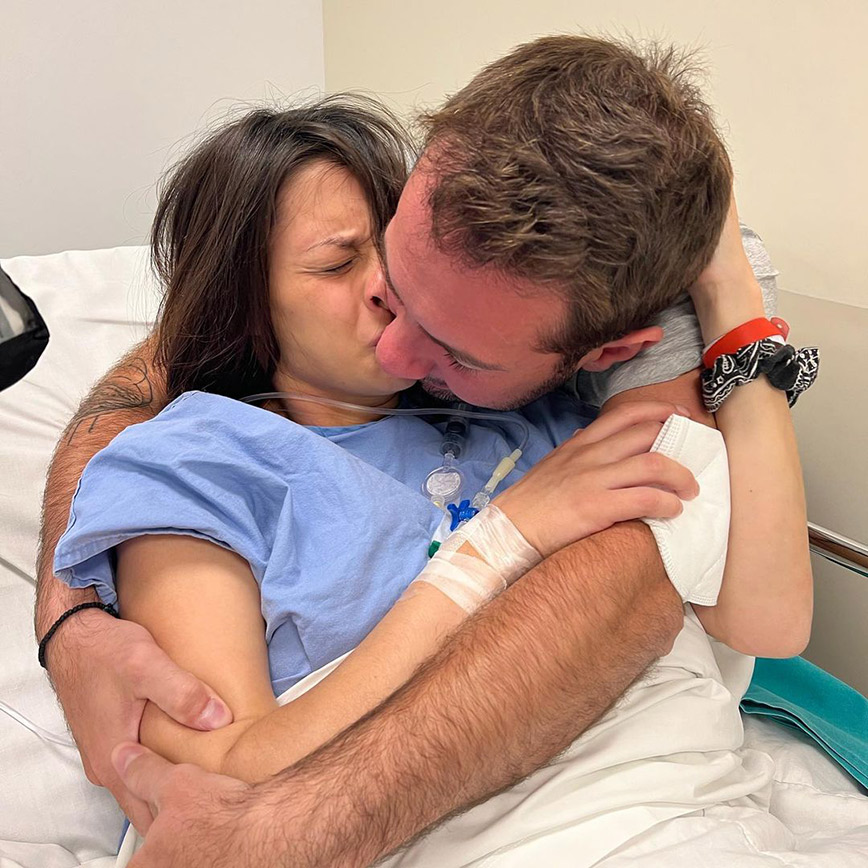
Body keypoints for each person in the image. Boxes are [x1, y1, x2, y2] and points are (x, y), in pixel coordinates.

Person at [36, 36, 811, 867]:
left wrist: (732, 296)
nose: (384, 290)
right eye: (339, 262)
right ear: (248, 299)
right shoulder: (200, 464)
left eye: (384, 247)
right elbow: (226, 778)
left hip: (690, 814)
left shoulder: (543, 417)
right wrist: (501, 542)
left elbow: (762, 617)